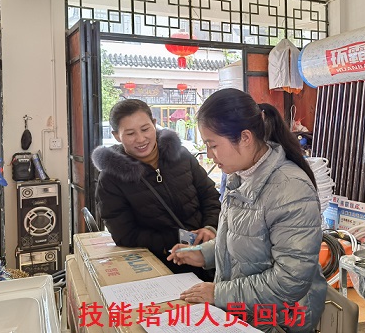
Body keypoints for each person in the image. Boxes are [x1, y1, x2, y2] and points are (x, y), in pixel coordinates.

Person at [167, 90, 327, 333]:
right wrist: (204, 254)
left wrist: (218, 293)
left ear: (245, 137)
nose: (209, 154)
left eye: (213, 145)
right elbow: (243, 238)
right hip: (243, 315)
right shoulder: (240, 175)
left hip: (279, 322)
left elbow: (290, 281)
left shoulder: (290, 189)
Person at [91, 99, 221, 280]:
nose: (140, 139)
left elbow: (210, 196)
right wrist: (177, 240)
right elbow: (125, 234)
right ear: (117, 136)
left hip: (209, 255)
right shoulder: (111, 179)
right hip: (163, 265)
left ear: (154, 124)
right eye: (130, 133)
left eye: (145, 129)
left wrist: (209, 228)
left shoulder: (181, 156)